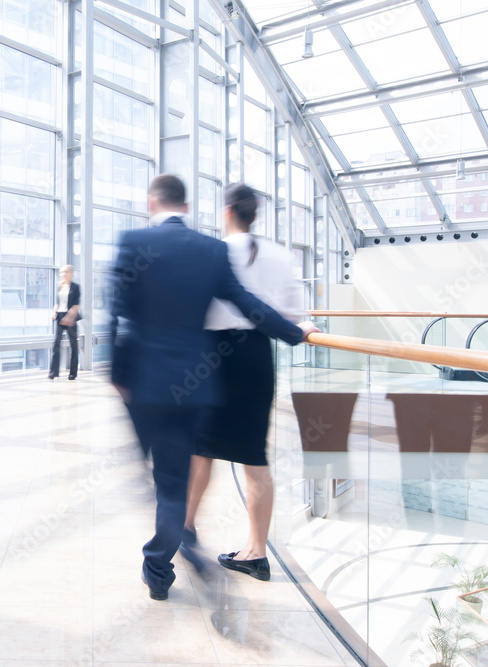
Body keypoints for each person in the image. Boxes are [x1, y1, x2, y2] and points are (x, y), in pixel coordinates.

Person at [110, 174, 317, 601]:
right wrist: (296, 333)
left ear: (153, 202)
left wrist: (118, 373)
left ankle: (164, 508)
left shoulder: (132, 241)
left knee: (169, 471)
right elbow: (251, 306)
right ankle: (161, 561)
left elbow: (119, 313)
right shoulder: (212, 250)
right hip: (201, 378)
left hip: (151, 381)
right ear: (186, 207)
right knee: (183, 475)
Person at [184, 183, 303, 582]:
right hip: (256, 356)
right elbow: (292, 314)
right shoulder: (280, 255)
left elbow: (197, 307)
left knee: (201, 449)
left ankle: (185, 527)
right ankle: (256, 551)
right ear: (255, 213)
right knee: (255, 456)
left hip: (213, 356)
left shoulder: (213, 251)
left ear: (228, 211)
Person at [49, 265, 81, 380]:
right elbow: (58, 302)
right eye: (62, 272)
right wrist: (53, 311)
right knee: (56, 343)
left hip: (71, 317)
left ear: (71, 273)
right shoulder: (60, 286)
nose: (64, 274)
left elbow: (76, 305)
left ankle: (73, 372)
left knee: (73, 345)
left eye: (66, 272)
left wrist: (69, 317)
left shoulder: (76, 287)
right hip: (60, 316)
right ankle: (53, 372)